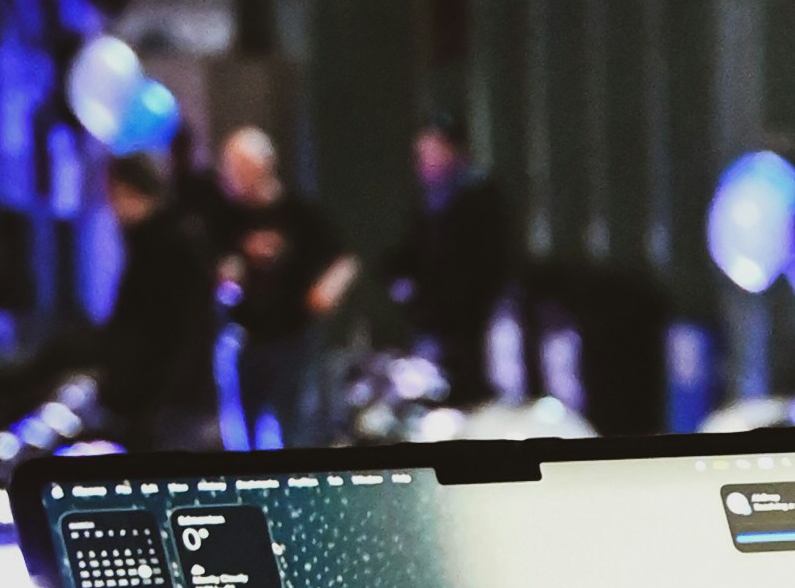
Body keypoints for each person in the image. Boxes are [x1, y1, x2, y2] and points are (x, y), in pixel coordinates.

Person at [211, 118, 356, 452]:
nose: (231, 176)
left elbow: (343, 259)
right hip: (247, 337)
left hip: (293, 335)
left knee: (294, 428)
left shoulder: (298, 213)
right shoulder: (227, 217)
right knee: (243, 432)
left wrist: (326, 290)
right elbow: (216, 266)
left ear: (263, 166)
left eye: (238, 167)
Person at [88, 101, 223, 460]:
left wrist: (159, 402)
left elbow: (183, 330)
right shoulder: (154, 241)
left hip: (171, 403)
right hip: (161, 400)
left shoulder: (171, 244)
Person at [384, 112, 521, 398]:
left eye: (431, 152)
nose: (424, 162)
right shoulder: (431, 200)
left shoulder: (478, 196)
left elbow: (485, 262)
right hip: (435, 320)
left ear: (452, 150)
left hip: (473, 318)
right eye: (421, 154)